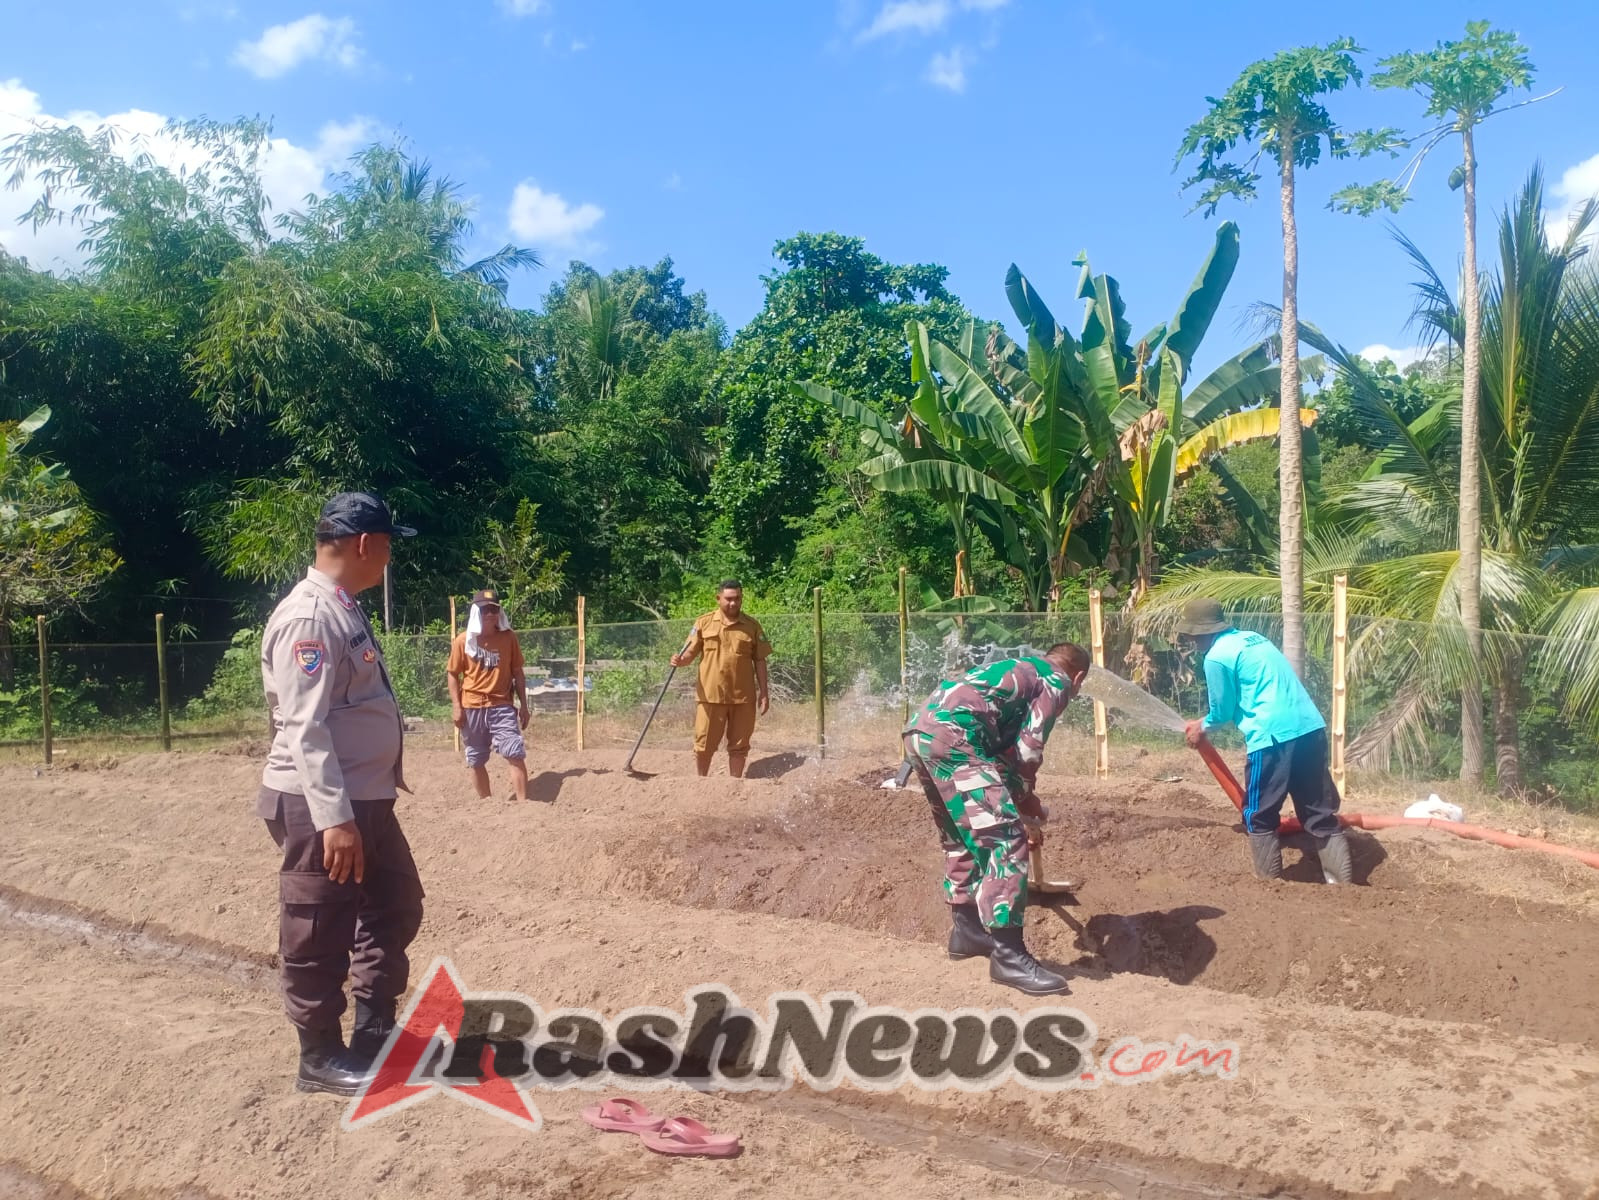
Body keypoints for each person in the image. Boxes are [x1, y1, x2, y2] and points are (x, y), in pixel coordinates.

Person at [258, 491, 426, 1097]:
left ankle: (375, 1030)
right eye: (387, 545)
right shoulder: (309, 617)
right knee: (318, 926)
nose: (388, 557)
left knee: (395, 904)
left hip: (365, 799)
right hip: (322, 806)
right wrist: (335, 819)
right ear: (365, 544)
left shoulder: (341, 606)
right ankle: (320, 1057)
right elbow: (304, 725)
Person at [902, 644, 1091, 996]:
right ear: (1078, 676)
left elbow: (1002, 752)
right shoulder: (1057, 680)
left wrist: (1019, 796)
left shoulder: (1021, 669)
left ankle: (968, 932)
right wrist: (1024, 798)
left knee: (960, 836)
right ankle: (1008, 957)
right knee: (1005, 839)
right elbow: (1029, 748)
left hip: (921, 733)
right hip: (956, 738)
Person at [1177, 597, 1353, 885]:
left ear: (1198, 633)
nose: (1190, 641)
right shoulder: (1253, 639)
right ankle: (1343, 887)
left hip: (1272, 737)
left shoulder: (1216, 657)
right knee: (1318, 810)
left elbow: (1221, 711)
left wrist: (1202, 726)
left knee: (1258, 812)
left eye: (1190, 635)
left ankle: (1269, 889)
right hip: (1309, 727)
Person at [670, 580, 772, 777]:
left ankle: (733, 786)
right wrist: (680, 660)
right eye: (728, 599)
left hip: (742, 698)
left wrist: (764, 693)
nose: (733, 603)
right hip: (710, 696)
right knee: (703, 744)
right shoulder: (703, 623)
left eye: (737, 599)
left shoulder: (752, 626)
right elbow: (689, 653)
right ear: (718, 599)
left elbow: (760, 660)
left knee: (739, 746)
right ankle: (701, 783)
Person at [446, 588, 531, 802]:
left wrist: (524, 705)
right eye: (485, 610)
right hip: (471, 706)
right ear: (476, 612)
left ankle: (523, 805)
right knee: (475, 758)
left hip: (501, 705)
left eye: (494, 609)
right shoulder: (463, 641)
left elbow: (518, 672)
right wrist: (457, 706)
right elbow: (453, 674)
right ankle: (487, 804)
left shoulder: (508, 638)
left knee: (514, 752)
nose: (490, 614)